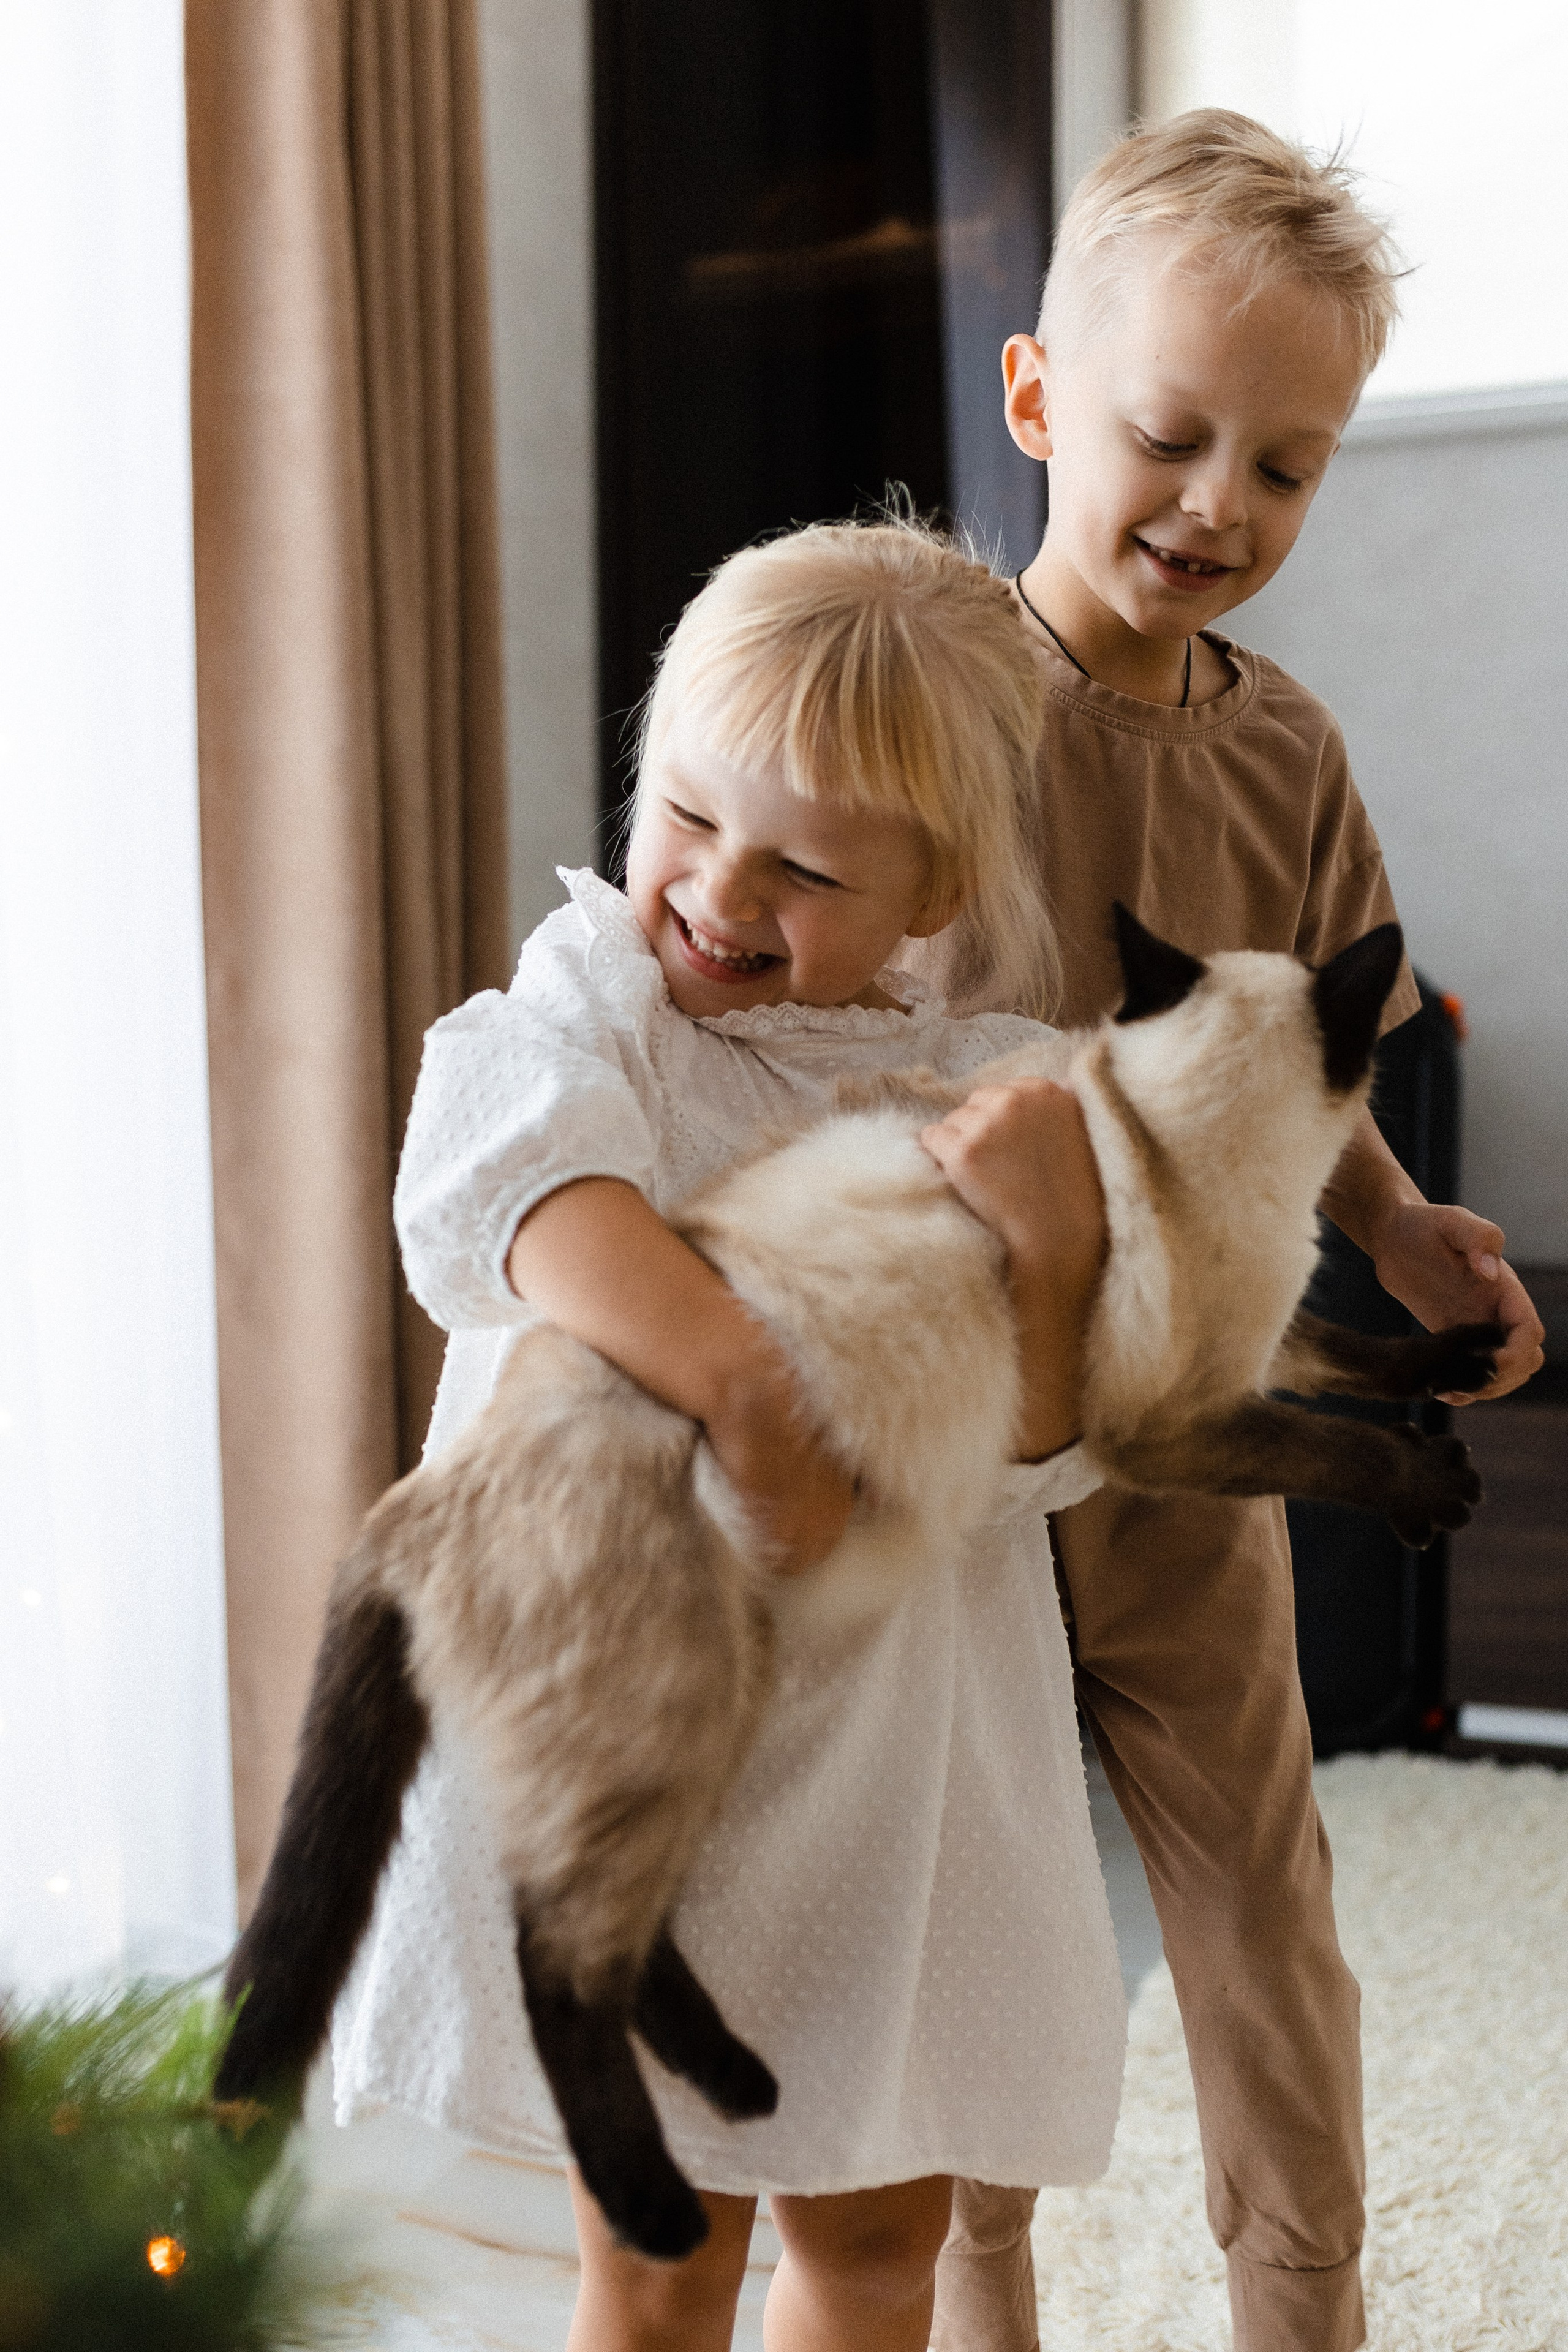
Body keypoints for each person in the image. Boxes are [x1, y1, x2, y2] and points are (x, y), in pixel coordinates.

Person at [331, 518, 1129, 2352]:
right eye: (689, 816)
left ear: (929, 895)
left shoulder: (989, 1088)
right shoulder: (594, 1014)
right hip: (645, 1747)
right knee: (662, 2240)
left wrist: (1061, 1248)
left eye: (803, 867)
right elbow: (511, 1189)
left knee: (872, 2238)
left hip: (879, 1774)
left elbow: (1048, 1453)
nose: (716, 889)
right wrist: (744, 1385)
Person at [929, 108, 1547, 2352]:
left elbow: (1327, 1073)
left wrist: (1401, 1232)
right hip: (962, 1451)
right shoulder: (930, 699)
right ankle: (971, 2280)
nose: (1218, 508)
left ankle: (1309, 2296)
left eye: (1284, 470)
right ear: (1036, 401)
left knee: (1263, 1906)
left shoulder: (1287, 751)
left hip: (1198, 1421)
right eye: (1170, 440)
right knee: (983, 1917)